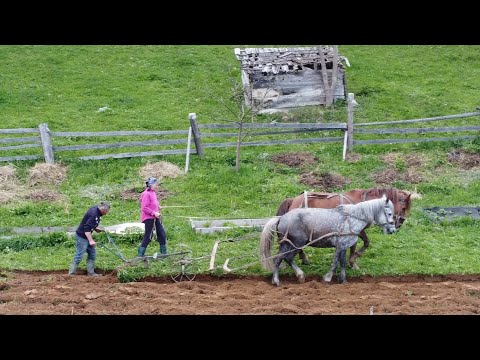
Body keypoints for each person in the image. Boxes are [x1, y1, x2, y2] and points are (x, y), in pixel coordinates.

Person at [68, 201, 110, 276]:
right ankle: (71, 274)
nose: (107, 213)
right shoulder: (94, 214)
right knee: (79, 255)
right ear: (103, 210)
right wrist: (91, 240)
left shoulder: (96, 211)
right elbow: (86, 228)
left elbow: (89, 223)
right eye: (106, 211)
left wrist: (96, 228)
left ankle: (91, 273)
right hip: (82, 237)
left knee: (92, 254)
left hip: (87, 235)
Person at [138, 177, 167, 257]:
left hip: (155, 217)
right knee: (148, 236)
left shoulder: (153, 192)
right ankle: (140, 253)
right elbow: (144, 208)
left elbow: (152, 204)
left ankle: (163, 253)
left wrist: (158, 207)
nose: (156, 186)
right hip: (149, 218)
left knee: (162, 234)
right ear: (150, 185)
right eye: (155, 184)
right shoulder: (146, 194)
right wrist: (154, 212)